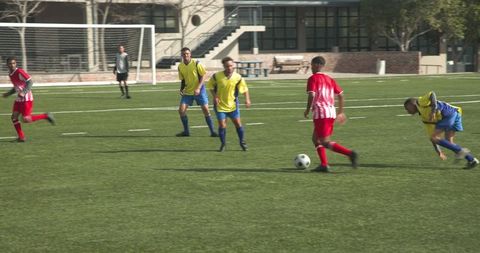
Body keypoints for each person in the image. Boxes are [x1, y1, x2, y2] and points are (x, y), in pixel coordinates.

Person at [304, 56, 358, 172]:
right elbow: (341, 95)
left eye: (311, 65)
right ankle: (324, 165)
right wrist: (340, 112)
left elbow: (312, 95)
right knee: (315, 139)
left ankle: (349, 153)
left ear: (315, 65)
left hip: (321, 113)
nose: (311, 67)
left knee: (324, 141)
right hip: (330, 112)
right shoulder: (329, 79)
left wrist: (307, 109)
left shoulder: (312, 78)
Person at [404, 91, 478, 169]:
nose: (407, 111)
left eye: (407, 108)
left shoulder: (420, 102)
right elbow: (431, 136)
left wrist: (433, 111)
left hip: (448, 115)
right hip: (455, 114)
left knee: (435, 138)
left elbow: (432, 94)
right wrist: (439, 151)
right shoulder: (424, 118)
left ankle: (462, 151)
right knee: (449, 142)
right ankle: (472, 160)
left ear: (411, 104)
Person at [3, 56, 55, 142]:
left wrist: (24, 92)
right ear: (7, 65)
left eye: (13, 63)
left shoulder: (19, 71)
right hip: (19, 99)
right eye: (10, 63)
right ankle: (21, 137)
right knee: (14, 117)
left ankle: (46, 116)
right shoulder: (10, 74)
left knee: (26, 119)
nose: (12, 65)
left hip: (26, 99)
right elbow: (16, 87)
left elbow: (30, 81)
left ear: (16, 64)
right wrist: (8, 94)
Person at [207, 56, 251, 152]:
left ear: (233, 66)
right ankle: (223, 144)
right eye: (227, 66)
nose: (230, 68)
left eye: (231, 66)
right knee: (222, 125)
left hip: (233, 106)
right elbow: (210, 86)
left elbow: (245, 89)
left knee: (238, 124)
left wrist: (247, 99)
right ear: (224, 66)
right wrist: (215, 96)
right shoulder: (217, 76)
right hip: (220, 106)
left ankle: (242, 142)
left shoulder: (238, 77)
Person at [176, 47, 217, 137]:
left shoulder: (197, 63)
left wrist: (198, 88)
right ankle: (186, 132)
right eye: (184, 54)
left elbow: (203, 76)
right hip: (188, 92)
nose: (185, 55)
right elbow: (183, 80)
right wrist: (181, 89)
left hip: (200, 91)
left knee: (206, 110)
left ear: (190, 54)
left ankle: (212, 132)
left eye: (187, 53)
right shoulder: (180, 66)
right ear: (181, 55)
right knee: (181, 111)